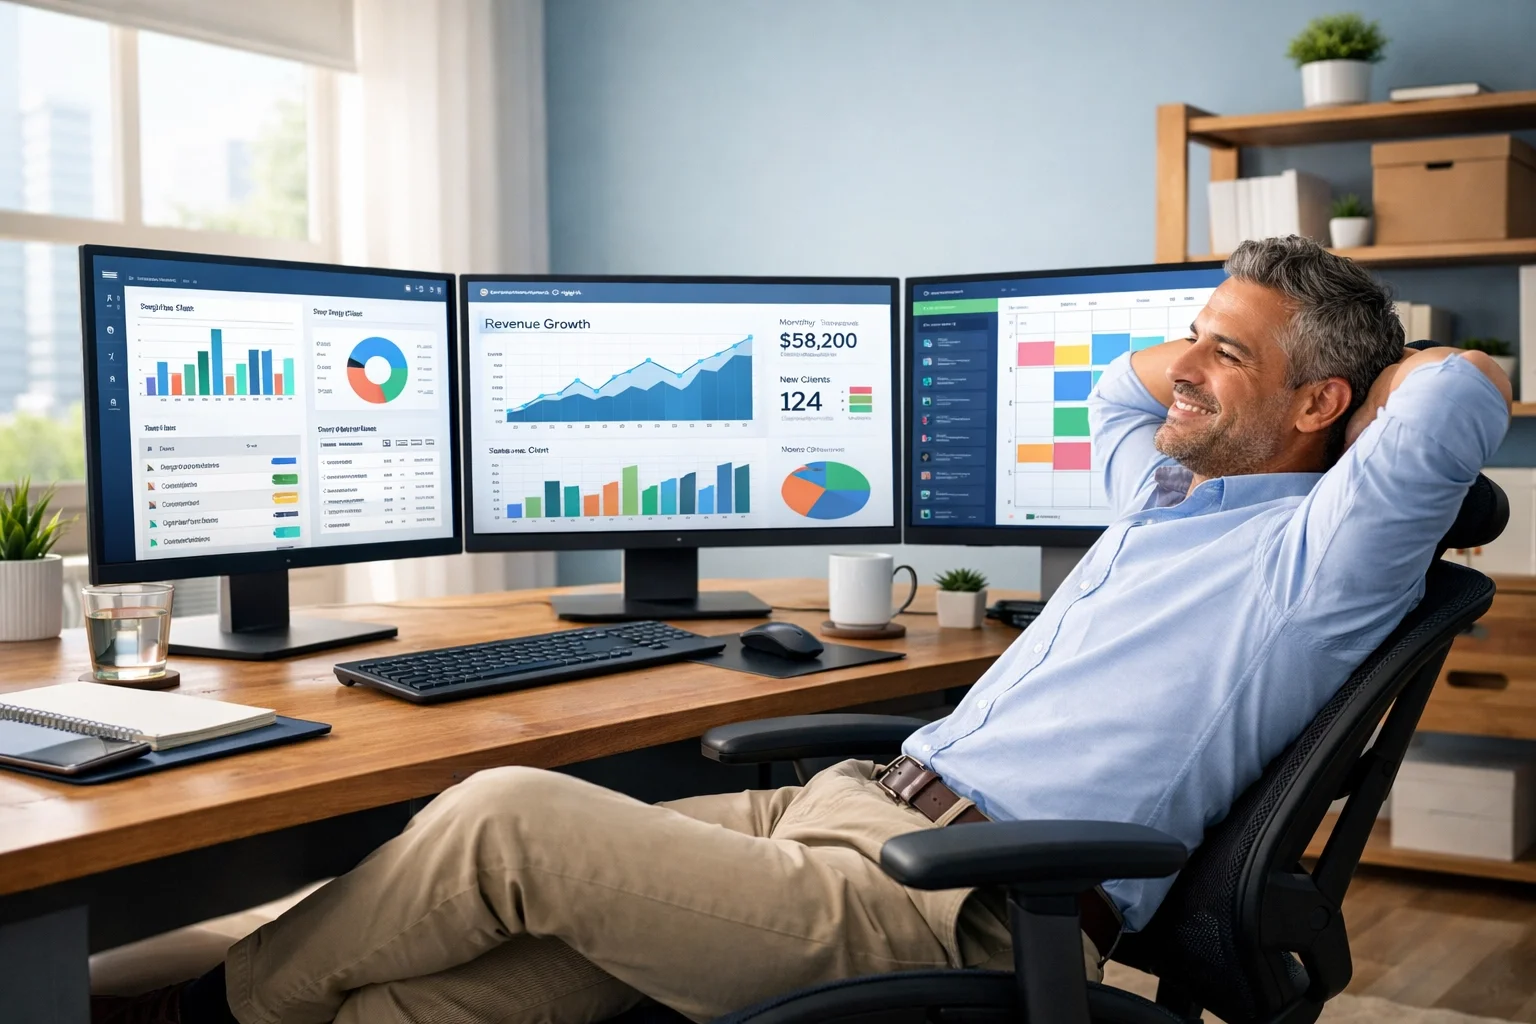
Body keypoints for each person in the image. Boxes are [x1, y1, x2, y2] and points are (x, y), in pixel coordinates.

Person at [98, 237, 1511, 1024]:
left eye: (1232, 352)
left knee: (509, 816)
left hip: (956, 899)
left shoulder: (1323, 551)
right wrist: (1224, 350)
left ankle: (211, 1013)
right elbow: (1122, 391)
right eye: (1193, 334)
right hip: (840, 811)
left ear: (1330, 411)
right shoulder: (1163, 495)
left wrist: (1369, 372)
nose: (1186, 369)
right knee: (413, 1014)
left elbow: (1459, 395)